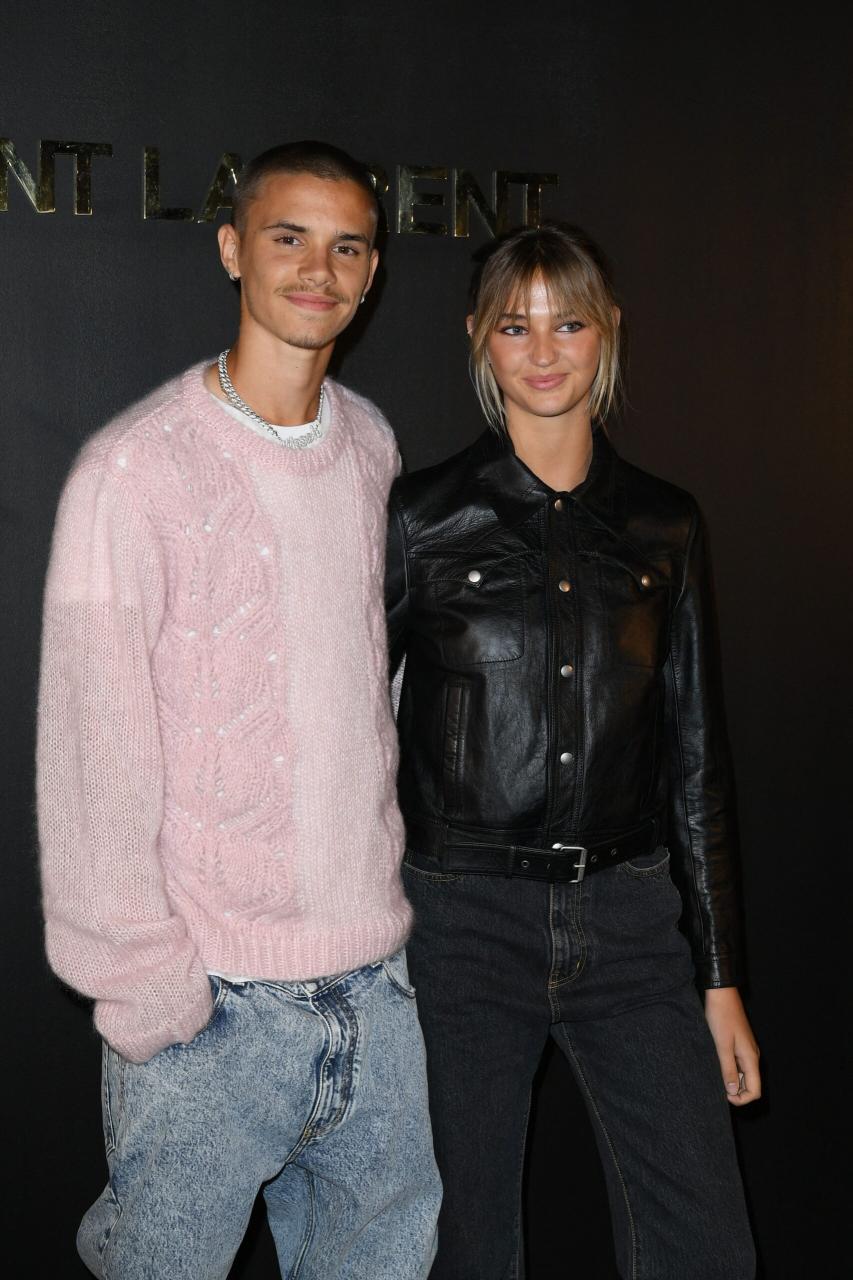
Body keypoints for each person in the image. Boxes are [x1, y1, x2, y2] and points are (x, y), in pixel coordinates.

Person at [36, 140, 441, 1280]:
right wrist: (159, 997)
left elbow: (376, 694)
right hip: (209, 1016)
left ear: (369, 276)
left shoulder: (373, 449)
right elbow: (90, 760)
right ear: (231, 250)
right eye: (287, 236)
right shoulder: (132, 470)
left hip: (378, 998)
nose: (318, 268)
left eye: (347, 245)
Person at [386, 223, 760, 1279]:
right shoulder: (420, 518)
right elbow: (347, 735)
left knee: (705, 1246)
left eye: (569, 321)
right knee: (466, 1247)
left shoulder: (664, 526)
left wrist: (720, 977)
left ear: (608, 334)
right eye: (515, 323)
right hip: (460, 925)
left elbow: (696, 761)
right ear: (478, 338)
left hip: (634, 925)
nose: (542, 348)